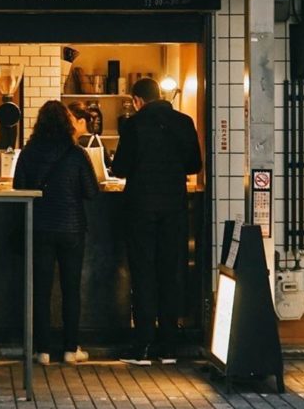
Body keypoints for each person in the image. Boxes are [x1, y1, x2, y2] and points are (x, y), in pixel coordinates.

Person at [111, 76, 202, 365]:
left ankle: (143, 344)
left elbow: (121, 169)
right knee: (171, 271)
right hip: (174, 209)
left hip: (140, 208)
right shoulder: (184, 122)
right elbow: (194, 165)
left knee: (143, 273)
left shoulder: (134, 125)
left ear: (137, 100)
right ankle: (169, 345)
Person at [13, 99, 99, 365]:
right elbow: (92, 192)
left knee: (41, 289)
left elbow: (19, 188)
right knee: (70, 288)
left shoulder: (28, 152)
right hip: (72, 229)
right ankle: (71, 349)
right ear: (66, 123)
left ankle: (43, 351)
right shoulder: (76, 154)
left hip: (40, 226)